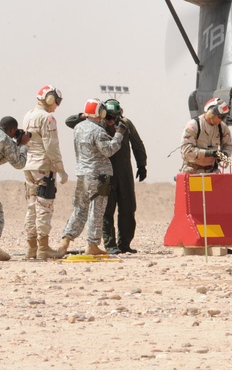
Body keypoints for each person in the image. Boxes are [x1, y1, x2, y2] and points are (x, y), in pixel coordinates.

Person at [58, 99, 126, 256]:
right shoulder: (98, 131)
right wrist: (118, 135)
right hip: (98, 176)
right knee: (97, 209)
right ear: (99, 112)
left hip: (82, 174)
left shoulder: (78, 128)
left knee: (80, 208)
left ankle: (65, 240)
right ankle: (92, 245)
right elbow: (109, 151)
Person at [23, 85, 69, 259]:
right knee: (44, 208)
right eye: (56, 101)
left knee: (31, 207)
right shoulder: (48, 118)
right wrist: (61, 170)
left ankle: (31, 248)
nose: (56, 105)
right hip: (44, 167)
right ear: (50, 99)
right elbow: (51, 146)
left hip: (29, 166)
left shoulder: (27, 115)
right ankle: (43, 249)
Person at [101, 100, 147, 254]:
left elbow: (137, 144)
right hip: (104, 174)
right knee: (106, 210)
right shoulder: (96, 125)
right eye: (109, 116)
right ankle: (110, 245)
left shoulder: (125, 124)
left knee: (128, 209)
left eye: (114, 116)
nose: (111, 120)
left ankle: (124, 244)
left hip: (124, 173)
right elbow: (72, 121)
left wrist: (142, 165)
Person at [0, 117, 30, 261]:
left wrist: (15, 146)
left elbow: (3, 156)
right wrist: (23, 145)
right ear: (12, 129)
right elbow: (19, 163)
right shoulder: (4, 139)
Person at [180, 98, 232, 174]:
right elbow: (186, 151)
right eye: (220, 117)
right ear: (211, 113)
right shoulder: (194, 126)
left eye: (224, 117)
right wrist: (208, 153)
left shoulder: (222, 128)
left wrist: (224, 154)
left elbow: (228, 146)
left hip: (212, 171)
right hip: (193, 172)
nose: (221, 120)